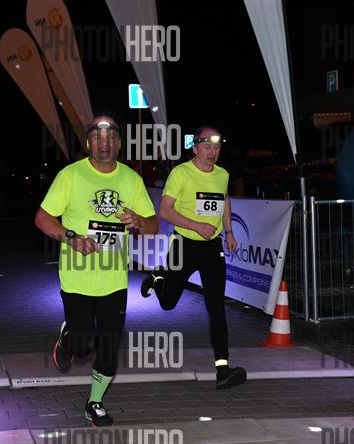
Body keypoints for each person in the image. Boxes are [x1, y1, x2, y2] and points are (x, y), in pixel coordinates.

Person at [35, 116, 158, 426]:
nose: (105, 143)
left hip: (114, 281)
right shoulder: (71, 175)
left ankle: (95, 402)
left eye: (112, 137)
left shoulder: (131, 179)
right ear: (89, 143)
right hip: (77, 278)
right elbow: (42, 218)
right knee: (82, 348)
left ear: (119, 143)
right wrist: (71, 237)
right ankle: (68, 336)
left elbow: (153, 225)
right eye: (98, 138)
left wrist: (139, 221)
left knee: (108, 346)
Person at [140, 126, 247, 390]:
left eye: (217, 147)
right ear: (195, 148)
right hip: (183, 246)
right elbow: (165, 211)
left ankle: (223, 369)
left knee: (216, 307)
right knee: (168, 303)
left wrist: (229, 231)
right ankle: (158, 278)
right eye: (207, 147)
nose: (213, 152)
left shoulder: (222, 174)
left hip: (212, 248)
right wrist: (196, 225)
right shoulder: (181, 173)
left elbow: (224, 200)